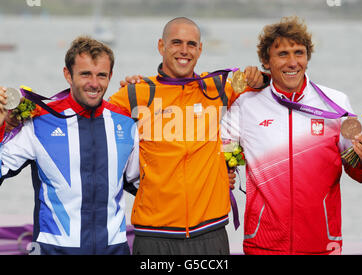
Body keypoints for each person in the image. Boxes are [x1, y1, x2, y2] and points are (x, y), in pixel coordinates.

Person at [109, 17, 266, 255]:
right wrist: (35, 111)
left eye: (191, 44)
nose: (184, 51)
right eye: (176, 43)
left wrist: (260, 76)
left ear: (200, 49)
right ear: (161, 46)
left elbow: (270, 83)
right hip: (153, 234)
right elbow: (93, 118)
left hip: (210, 232)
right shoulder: (135, 94)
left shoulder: (217, 86)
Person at [221, 16, 362, 255]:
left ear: (307, 57)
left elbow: (361, 172)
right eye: (282, 54)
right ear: (266, 61)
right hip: (263, 244)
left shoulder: (337, 103)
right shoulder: (246, 104)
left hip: (322, 243)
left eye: (299, 53)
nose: (293, 62)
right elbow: (217, 157)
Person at [0, 36, 139, 255]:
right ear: (67, 75)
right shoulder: (40, 121)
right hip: (53, 250)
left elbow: (142, 185)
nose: (94, 83)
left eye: (101, 75)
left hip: (114, 250)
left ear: (110, 76)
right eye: (85, 74)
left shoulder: (125, 121)